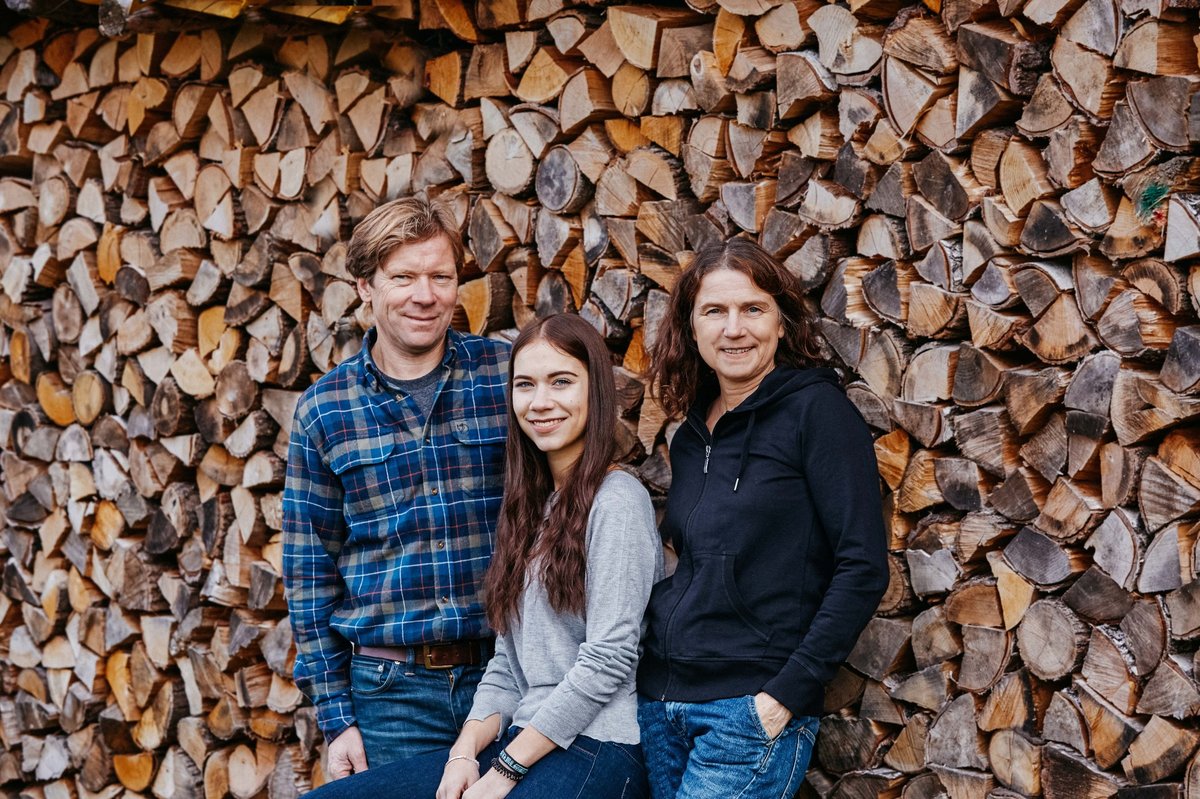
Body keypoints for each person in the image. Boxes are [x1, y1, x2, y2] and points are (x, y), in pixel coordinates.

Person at [301, 312, 663, 799]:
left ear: (595, 391)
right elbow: (508, 665)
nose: (540, 403)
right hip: (525, 740)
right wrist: (464, 753)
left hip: (596, 747)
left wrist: (506, 771)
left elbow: (609, 659)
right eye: (525, 385)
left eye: (561, 382)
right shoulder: (533, 508)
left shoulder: (617, 500)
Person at [636, 238, 890, 799]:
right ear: (691, 327)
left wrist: (784, 696)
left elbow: (863, 566)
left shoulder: (818, 414)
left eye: (753, 309)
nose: (735, 329)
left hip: (748, 711)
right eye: (714, 312)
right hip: (662, 704)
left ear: (781, 322)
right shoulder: (691, 433)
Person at [283, 197, 510, 776]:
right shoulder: (325, 410)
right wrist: (337, 718)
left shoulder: (506, 375)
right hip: (391, 695)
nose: (425, 295)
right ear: (365, 286)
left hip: (509, 676)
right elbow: (311, 575)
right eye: (403, 277)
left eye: (441, 276)